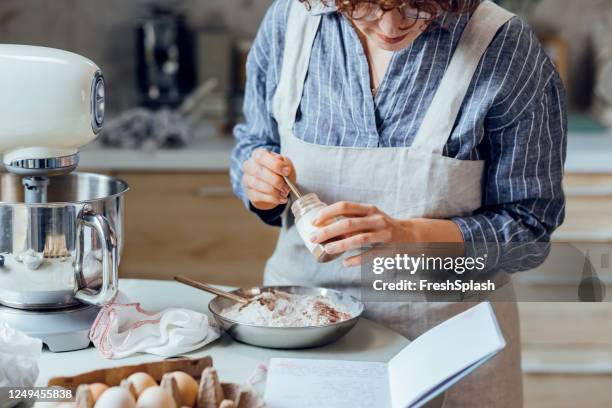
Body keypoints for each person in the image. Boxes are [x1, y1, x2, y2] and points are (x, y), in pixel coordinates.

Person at [231, 0, 567, 406]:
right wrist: (258, 180)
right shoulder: (289, 22)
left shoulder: (504, 47)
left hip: (446, 355)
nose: (391, 26)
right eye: (368, 6)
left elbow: (528, 228)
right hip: (301, 338)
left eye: (417, 6)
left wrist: (409, 234)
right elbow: (254, 141)